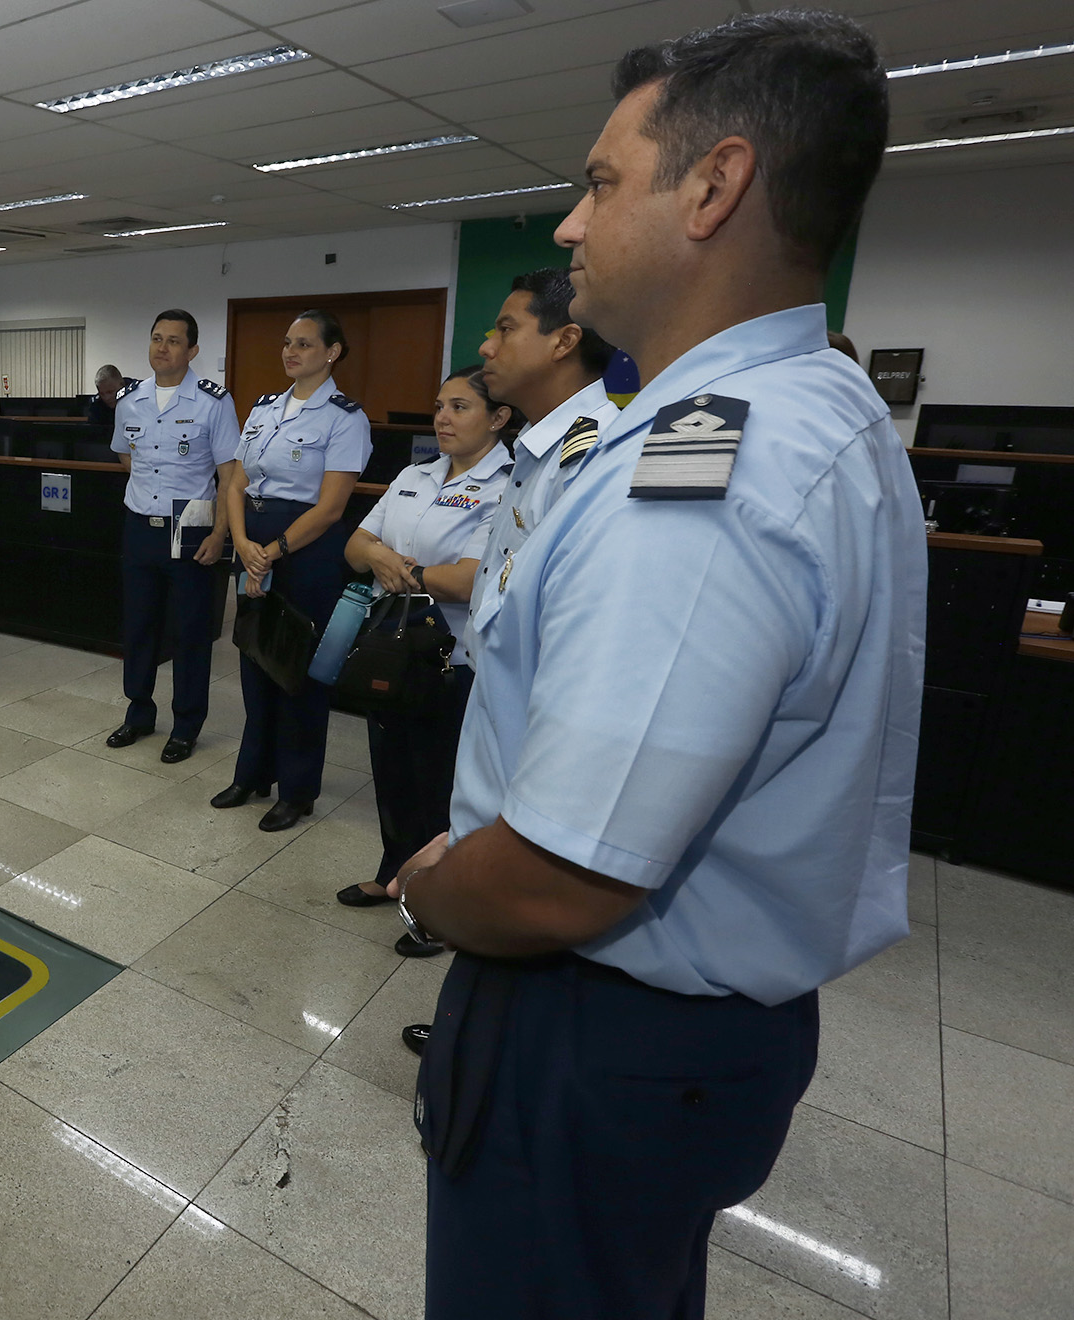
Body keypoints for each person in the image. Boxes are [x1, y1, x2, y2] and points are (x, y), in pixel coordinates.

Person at [390, 13, 920, 1318]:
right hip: (700, 1035)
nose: (569, 226)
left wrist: (435, 890)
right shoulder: (823, 405)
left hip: (592, 1028)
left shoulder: (702, 477)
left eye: (601, 182)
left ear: (716, 185)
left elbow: (566, 879)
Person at [395, 266, 621, 1049]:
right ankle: (474, 1029)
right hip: (496, 744)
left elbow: (574, 647)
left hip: (537, 762)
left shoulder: (592, 457)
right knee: (491, 973)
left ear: (564, 340)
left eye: (504, 328)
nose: (486, 346)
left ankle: (489, 1046)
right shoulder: (539, 449)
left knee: (526, 976)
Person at [336, 368, 515, 947]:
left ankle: (435, 907)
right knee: (391, 771)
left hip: (451, 657)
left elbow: (467, 580)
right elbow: (355, 546)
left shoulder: (505, 485)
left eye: (460, 407)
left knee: (440, 783)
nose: (442, 417)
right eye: (439, 405)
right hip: (389, 648)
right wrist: (399, 566)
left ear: (498, 417)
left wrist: (396, 566)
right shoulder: (415, 474)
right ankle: (393, 873)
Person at [212, 310, 372, 831]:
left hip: (306, 551)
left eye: (303, 344)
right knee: (255, 659)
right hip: (253, 540)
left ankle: (298, 789)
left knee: (299, 673)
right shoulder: (263, 408)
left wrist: (273, 550)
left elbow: (329, 509)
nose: (290, 352)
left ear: (332, 352)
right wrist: (241, 542)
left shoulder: (345, 418)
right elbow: (235, 482)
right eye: (287, 343)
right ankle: (253, 773)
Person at [103, 310, 236, 763]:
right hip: (140, 523)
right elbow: (126, 456)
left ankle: (186, 724)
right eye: (157, 339)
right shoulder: (129, 399)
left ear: (192, 351)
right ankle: (139, 712)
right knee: (138, 625)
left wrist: (220, 533)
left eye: (174, 341)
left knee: (190, 631)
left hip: (191, 522)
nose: (163, 348)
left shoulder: (213, 402)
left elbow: (229, 474)